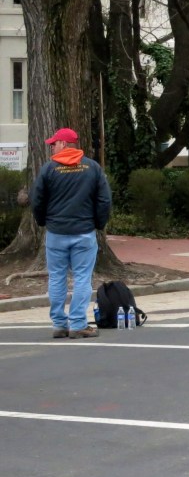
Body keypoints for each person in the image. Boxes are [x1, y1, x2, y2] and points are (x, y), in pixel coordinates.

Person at [30, 127, 112, 339]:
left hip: (56, 232)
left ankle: (59, 324)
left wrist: (43, 222)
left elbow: (37, 200)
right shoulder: (92, 167)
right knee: (82, 278)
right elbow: (104, 200)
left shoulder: (49, 169)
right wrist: (98, 225)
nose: (51, 148)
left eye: (54, 144)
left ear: (64, 144)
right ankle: (78, 323)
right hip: (84, 232)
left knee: (57, 277)